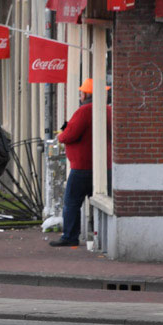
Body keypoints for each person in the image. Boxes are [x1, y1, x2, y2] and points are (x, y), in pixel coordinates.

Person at [50, 78, 110, 248]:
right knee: (98, 201)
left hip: (81, 166)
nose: (80, 95)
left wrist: (61, 135)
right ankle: (96, 232)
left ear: (85, 94)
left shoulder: (84, 111)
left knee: (71, 202)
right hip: (101, 167)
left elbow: (69, 135)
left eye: (81, 92)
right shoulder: (107, 110)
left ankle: (70, 236)